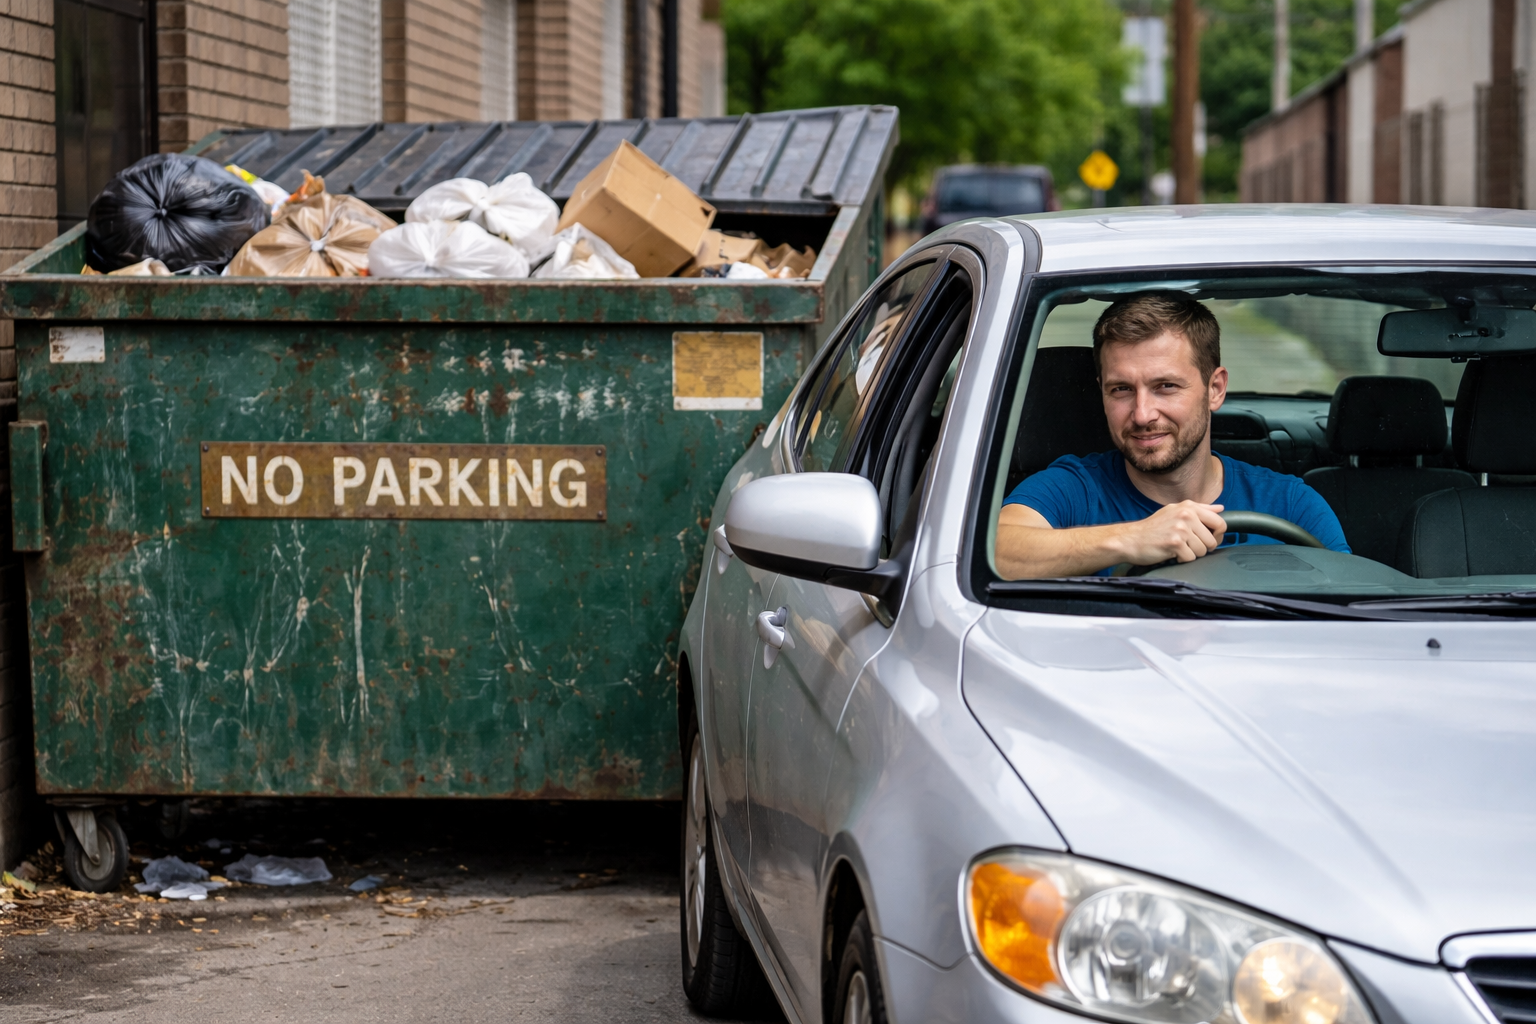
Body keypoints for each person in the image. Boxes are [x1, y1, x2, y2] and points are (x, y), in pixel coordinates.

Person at [996, 291, 1349, 579]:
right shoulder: (1075, 489)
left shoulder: (1290, 505)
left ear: (1215, 389)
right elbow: (992, 551)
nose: (1142, 414)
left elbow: (1350, 608)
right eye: (1121, 389)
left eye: (1165, 386)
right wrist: (1131, 539)